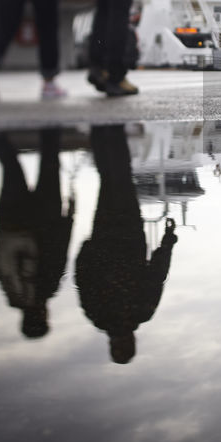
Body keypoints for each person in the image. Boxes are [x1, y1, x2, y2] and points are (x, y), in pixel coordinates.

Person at [75, 124, 176, 364]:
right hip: (105, 236)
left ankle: (112, 129)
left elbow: (157, 274)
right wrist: (87, 249)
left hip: (127, 237)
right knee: (109, 181)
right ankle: (101, 133)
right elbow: (82, 277)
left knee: (119, 178)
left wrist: (168, 242)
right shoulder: (97, 315)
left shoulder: (141, 312)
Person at [0, 129, 74, 339]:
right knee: (11, 168)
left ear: (44, 317)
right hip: (11, 222)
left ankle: (51, 125)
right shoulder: (12, 293)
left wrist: (69, 218)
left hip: (46, 220)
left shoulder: (47, 288)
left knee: (49, 164)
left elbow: (59, 250)